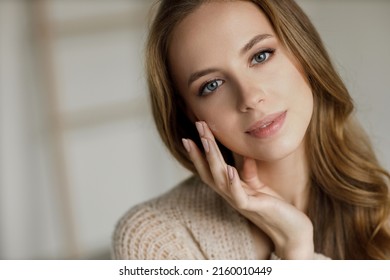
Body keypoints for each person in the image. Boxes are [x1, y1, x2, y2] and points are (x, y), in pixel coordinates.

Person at [112, 0, 390, 259]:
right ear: (190, 112)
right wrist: (294, 248)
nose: (249, 98)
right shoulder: (158, 239)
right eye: (212, 85)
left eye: (261, 56)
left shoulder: (381, 208)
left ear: (303, 51)